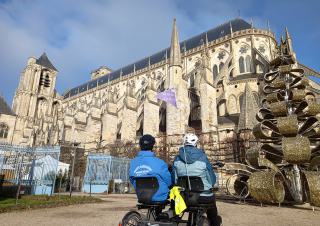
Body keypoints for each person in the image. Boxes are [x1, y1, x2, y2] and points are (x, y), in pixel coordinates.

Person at [172, 133, 221, 226]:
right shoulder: (203, 158)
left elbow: (174, 180)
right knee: (212, 206)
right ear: (196, 144)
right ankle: (215, 223)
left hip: (184, 197)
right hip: (202, 196)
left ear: (184, 144)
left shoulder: (177, 159)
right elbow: (212, 180)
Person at [129, 134, 172, 202]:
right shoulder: (160, 163)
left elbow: (132, 180)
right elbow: (169, 181)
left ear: (140, 145)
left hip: (141, 195)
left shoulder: (133, 163)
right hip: (159, 196)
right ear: (152, 145)